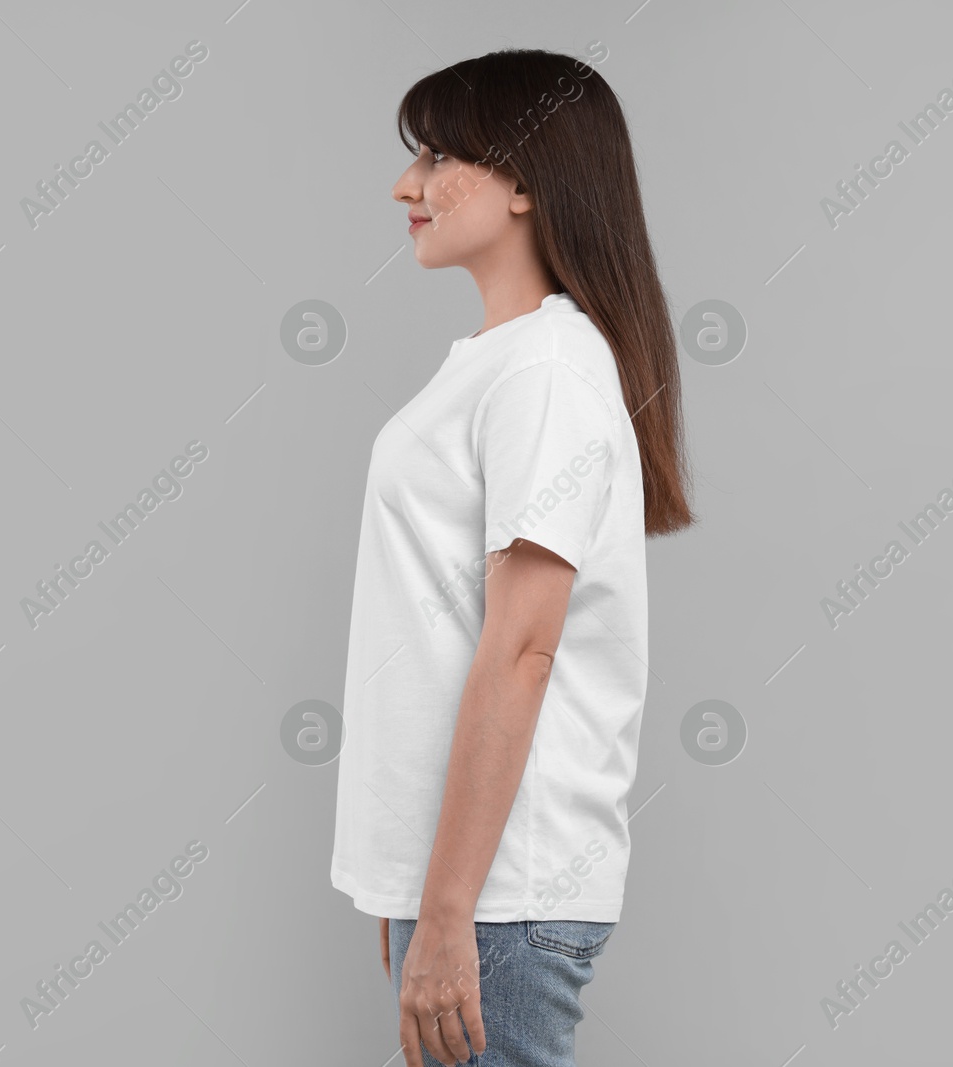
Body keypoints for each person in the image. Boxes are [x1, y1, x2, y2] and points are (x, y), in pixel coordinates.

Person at [331, 46, 695, 1067]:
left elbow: (525, 647)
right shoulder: (508, 364)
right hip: (469, 887)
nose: (408, 185)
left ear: (529, 182)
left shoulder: (543, 371)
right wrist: (412, 891)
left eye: (442, 154)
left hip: (500, 891)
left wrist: (445, 912)